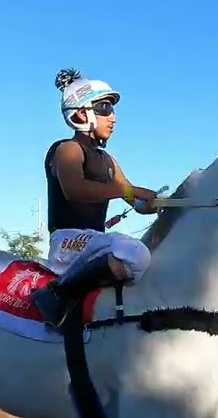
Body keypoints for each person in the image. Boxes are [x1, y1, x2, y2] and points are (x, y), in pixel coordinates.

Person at [30, 67, 164, 328]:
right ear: (81, 113)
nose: (112, 117)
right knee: (136, 253)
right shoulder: (67, 149)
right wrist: (130, 191)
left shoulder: (108, 161)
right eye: (104, 108)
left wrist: (160, 204)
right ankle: (56, 294)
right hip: (68, 241)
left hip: (94, 242)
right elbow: (75, 190)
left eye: (111, 110)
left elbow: (135, 203)